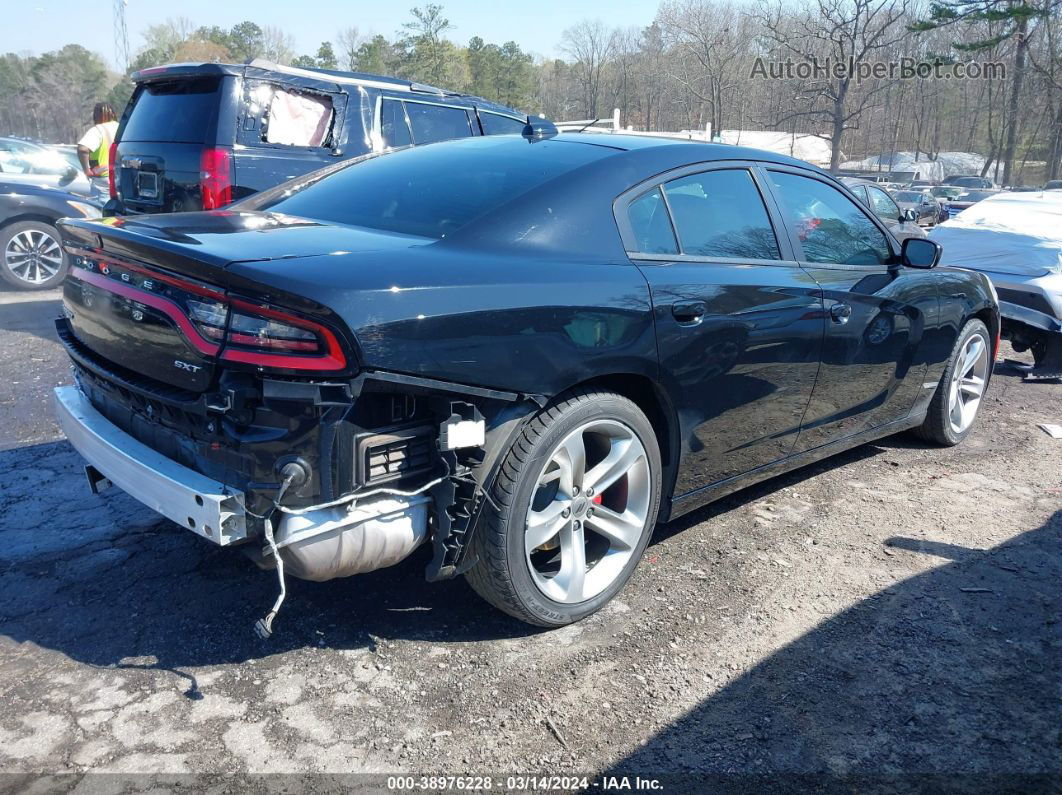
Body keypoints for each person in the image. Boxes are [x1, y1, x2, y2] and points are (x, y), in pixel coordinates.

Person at [77, 102, 118, 179]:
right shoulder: (123, 128)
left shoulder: (98, 130)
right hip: (122, 178)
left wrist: (87, 171)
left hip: (103, 180)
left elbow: (82, 149)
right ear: (113, 114)